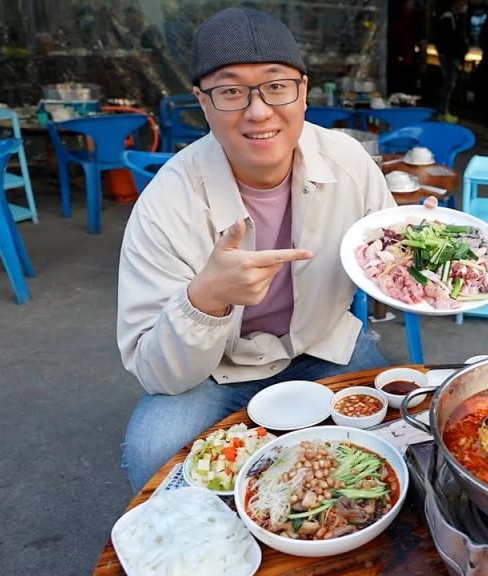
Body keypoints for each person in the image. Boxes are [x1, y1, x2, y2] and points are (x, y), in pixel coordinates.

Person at [116, 7, 402, 493]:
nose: (258, 111)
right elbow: (153, 369)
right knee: (151, 456)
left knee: (393, 439)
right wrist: (205, 299)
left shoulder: (349, 162)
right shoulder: (166, 201)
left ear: (303, 92)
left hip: (323, 346)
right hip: (216, 371)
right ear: (202, 102)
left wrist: (421, 243)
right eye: (231, 92)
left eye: (276, 85)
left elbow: (391, 253)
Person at [433, 0, 470, 122]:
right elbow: (448, 39)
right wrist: (447, 54)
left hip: (450, 55)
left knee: (449, 83)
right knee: (449, 83)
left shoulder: (453, 17)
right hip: (449, 56)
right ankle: (443, 112)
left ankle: (443, 111)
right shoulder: (448, 18)